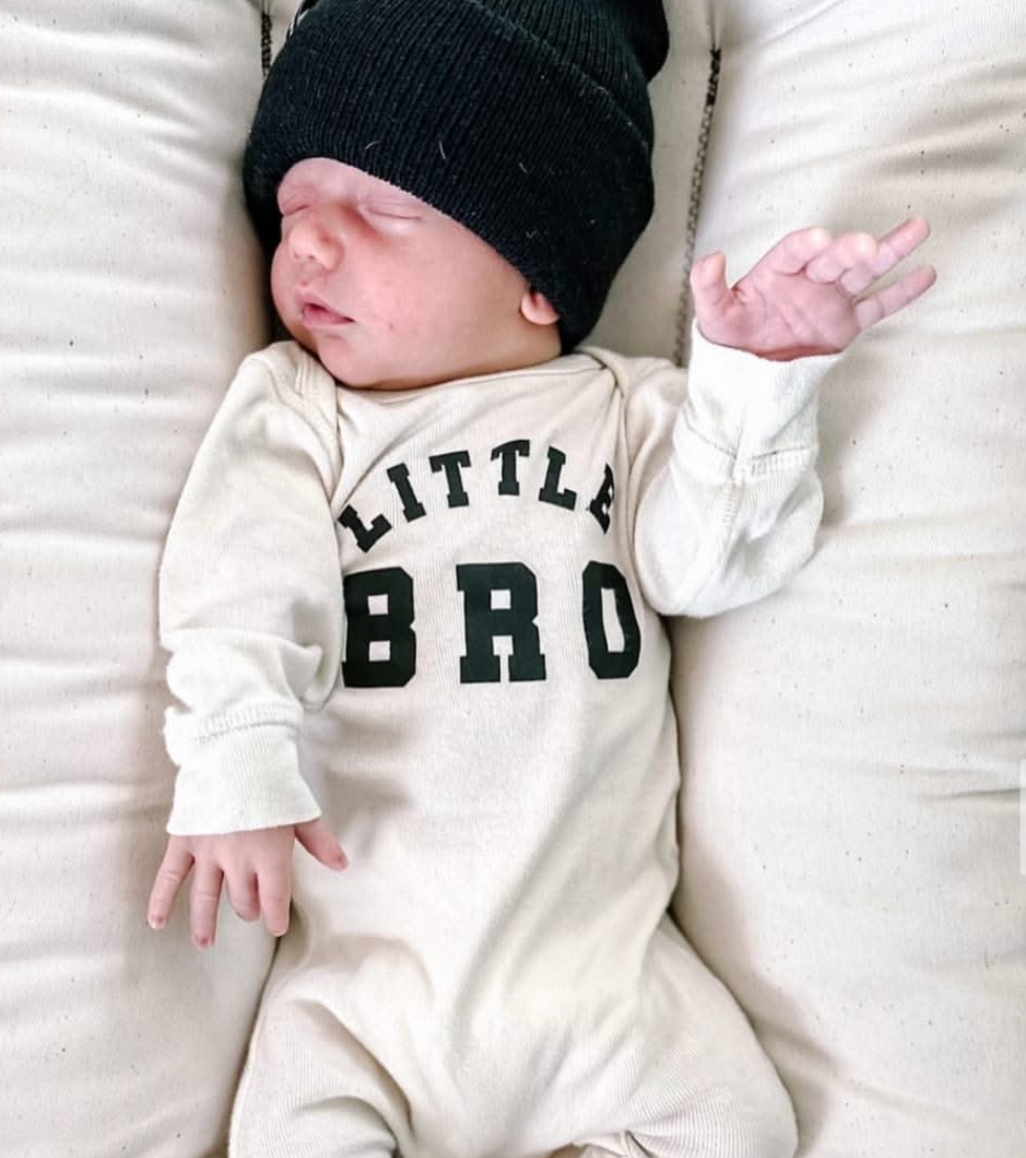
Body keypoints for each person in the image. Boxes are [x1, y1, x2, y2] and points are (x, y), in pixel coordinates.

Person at [145, 1, 935, 1155]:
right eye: (295, 208)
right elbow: (236, 585)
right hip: (364, 990)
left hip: (607, 973)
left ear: (540, 276)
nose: (308, 245)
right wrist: (232, 759)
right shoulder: (299, 413)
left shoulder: (627, 412)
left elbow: (713, 564)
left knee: (738, 1127)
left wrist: (759, 380)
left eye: (382, 210)